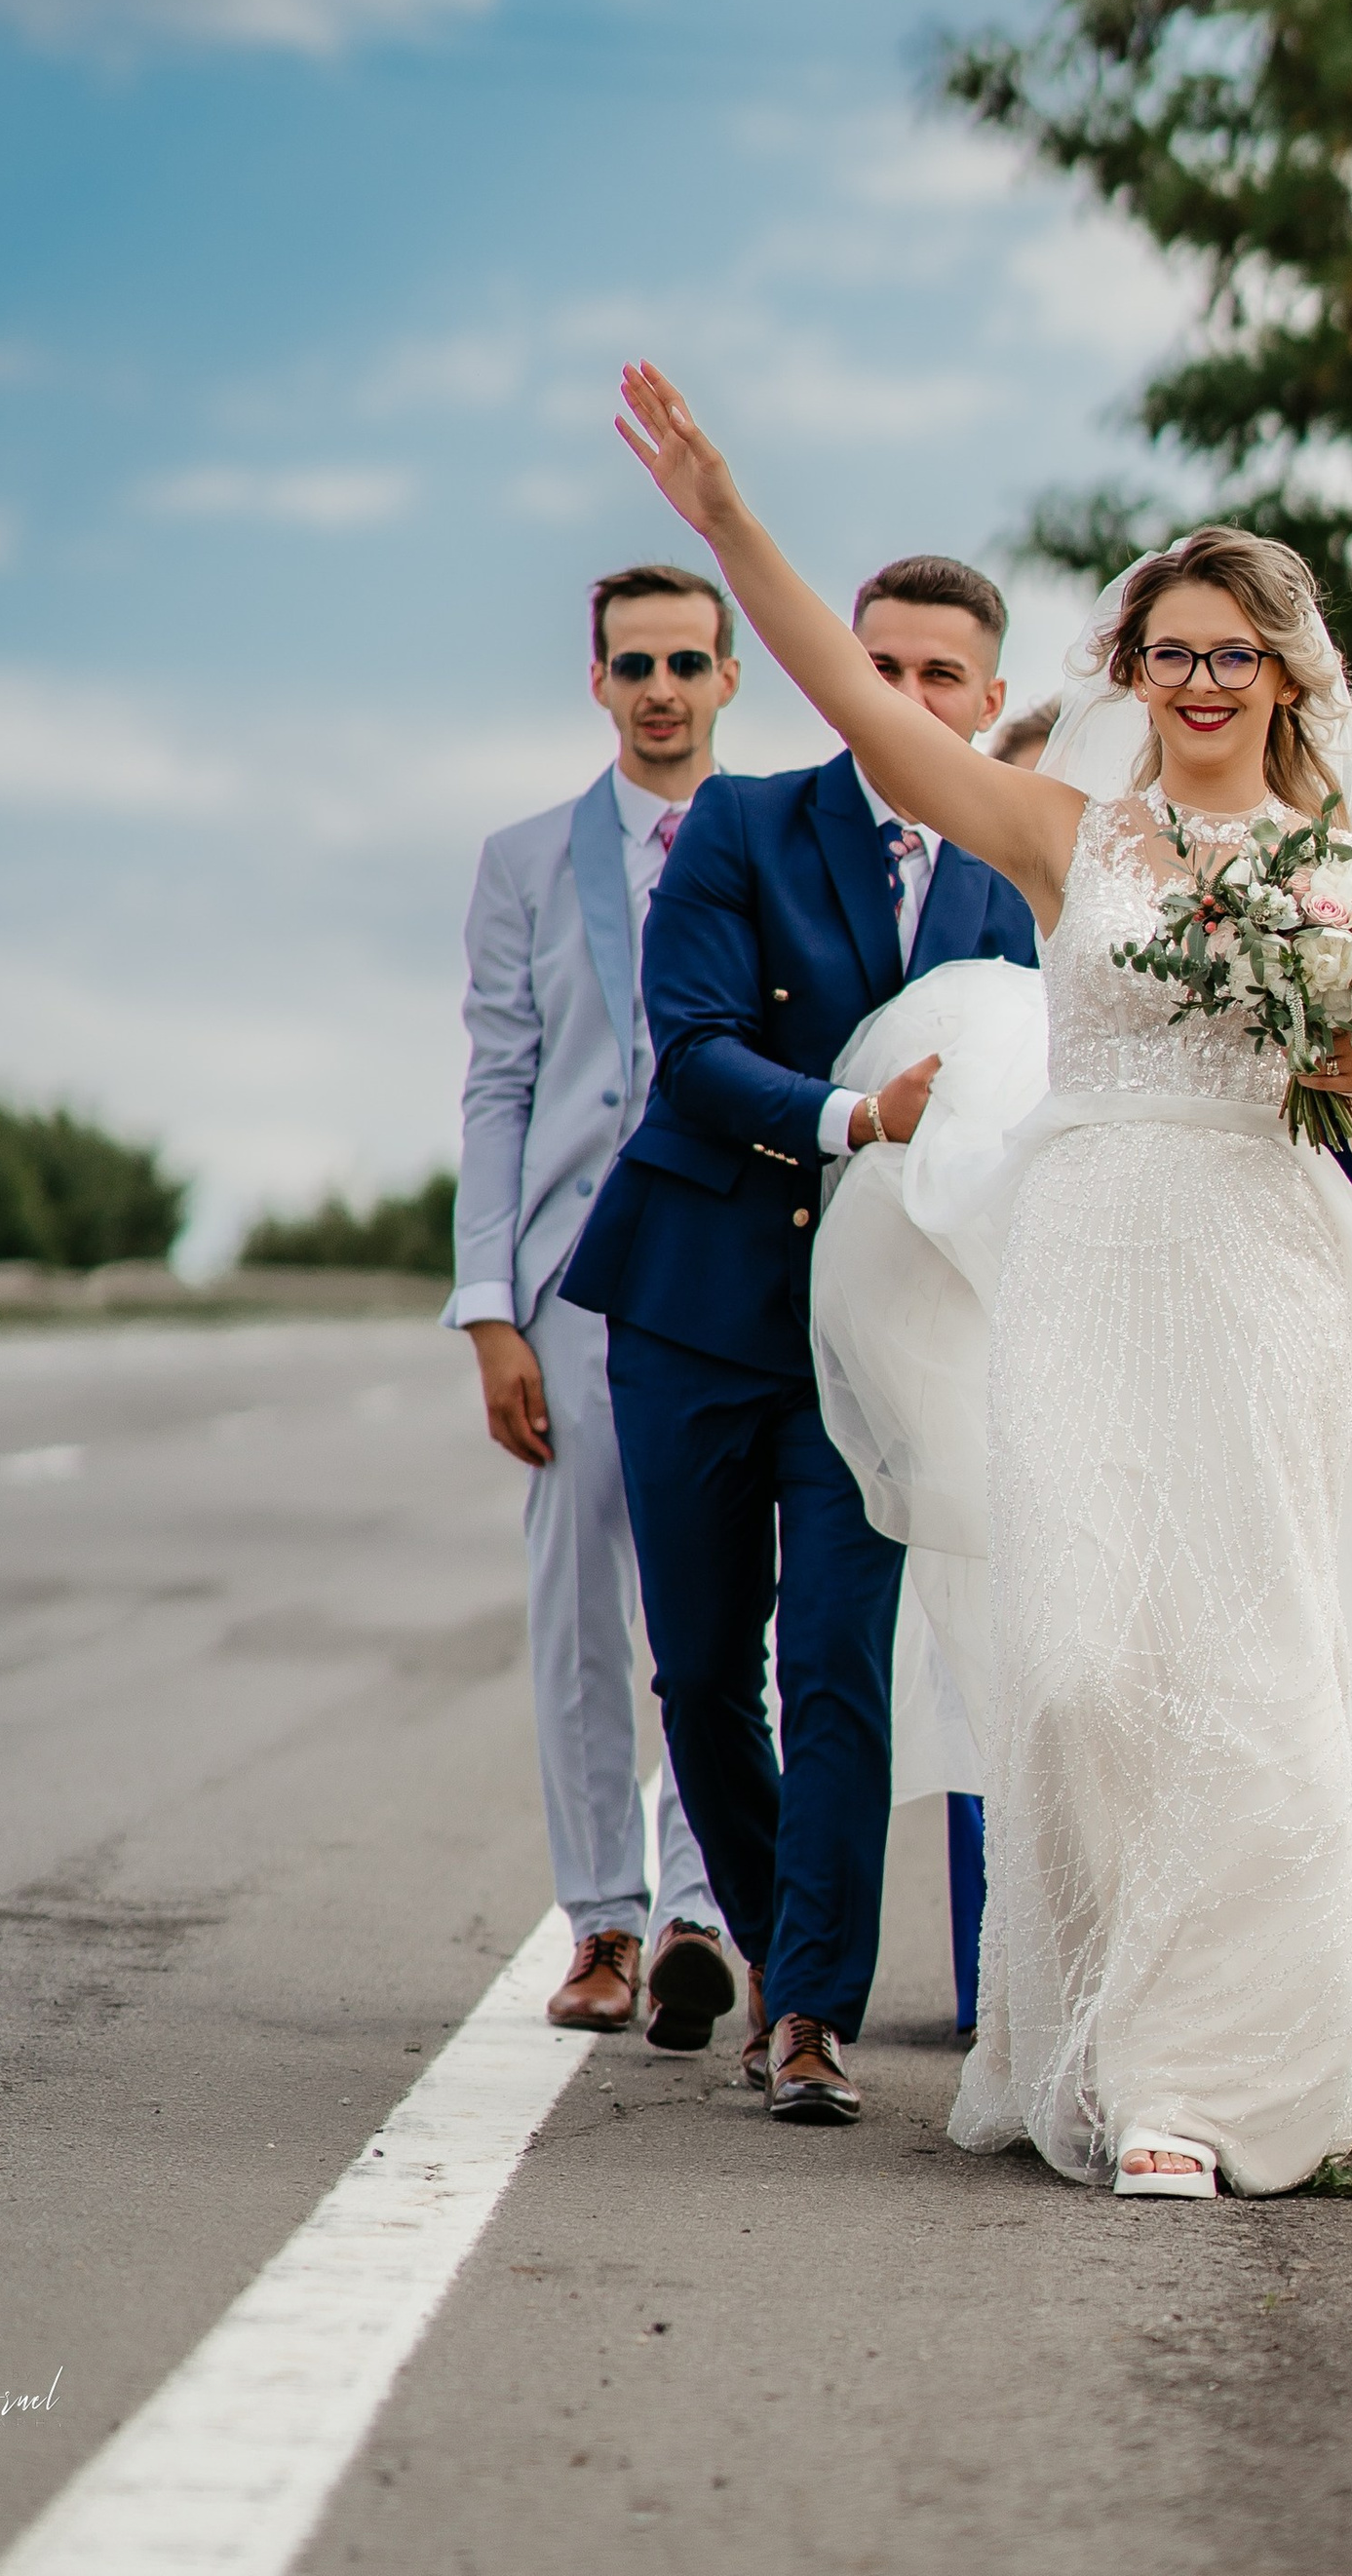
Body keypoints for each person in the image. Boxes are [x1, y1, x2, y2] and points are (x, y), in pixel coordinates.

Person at [606, 361, 1352, 2198]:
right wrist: (726, 522)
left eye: (1234, 654)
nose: (1201, 682)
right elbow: (856, 695)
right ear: (1131, 671)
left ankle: (1208, 2086)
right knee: (1081, 1674)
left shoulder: (1340, 884)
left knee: (1245, 1677)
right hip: (1084, 1269)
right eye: (1170, 651)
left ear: (1285, 679)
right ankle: (1084, 2039)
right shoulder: (1066, 838)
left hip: (1263, 1279)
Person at [560, 554, 1039, 2125]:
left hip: (876, 1346)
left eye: (938, 679)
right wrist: (853, 1117)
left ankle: (817, 2016)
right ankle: (780, 1952)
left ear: (988, 702)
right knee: (703, 1677)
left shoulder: (1009, 891)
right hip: (696, 1307)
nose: (904, 701)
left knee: (838, 1665)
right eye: (877, 667)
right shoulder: (745, 826)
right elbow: (692, 1053)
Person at [444, 560, 738, 2049]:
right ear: (599, 684)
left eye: (688, 662)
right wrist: (490, 1309)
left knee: (709, 1605)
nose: (663, 690)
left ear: (728, 678)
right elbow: (498, 1084)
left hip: (728, 1272)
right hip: (571, 1278)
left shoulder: (768, 842)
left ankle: (698, 1911)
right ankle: (603, 1923)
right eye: (637, 666)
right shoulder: (524, 863)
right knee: (573, 1609)